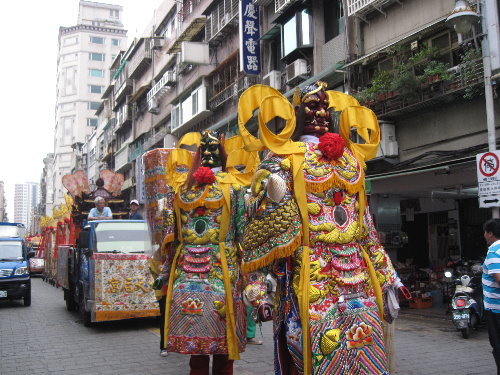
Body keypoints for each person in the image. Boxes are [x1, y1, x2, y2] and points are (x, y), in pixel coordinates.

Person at [238, 83, 409, 375]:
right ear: (295, 113)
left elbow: (366, 229)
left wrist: (389, 278)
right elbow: (260, 235)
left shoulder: (351, 162)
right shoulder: (280, 161)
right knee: (310, 351)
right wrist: (259, 291)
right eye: (311, 106)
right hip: (307, 274)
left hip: (356, 277)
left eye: (324, 108)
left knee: (363, 351)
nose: (319, 113)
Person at [156, 131, 259, 375]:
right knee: (222, 350)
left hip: (188, 273)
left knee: (200, 353)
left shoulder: (181, 191)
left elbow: (169, 240)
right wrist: (253, 276)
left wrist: (166, 272)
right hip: (222, 271)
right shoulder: (234, 188)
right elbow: (245, 236)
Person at [483, 218, 500, 374]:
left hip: (496, 309)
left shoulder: (494, 251)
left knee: (498, 345)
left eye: (485, 232)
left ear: (490, 234)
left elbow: (498, 278)